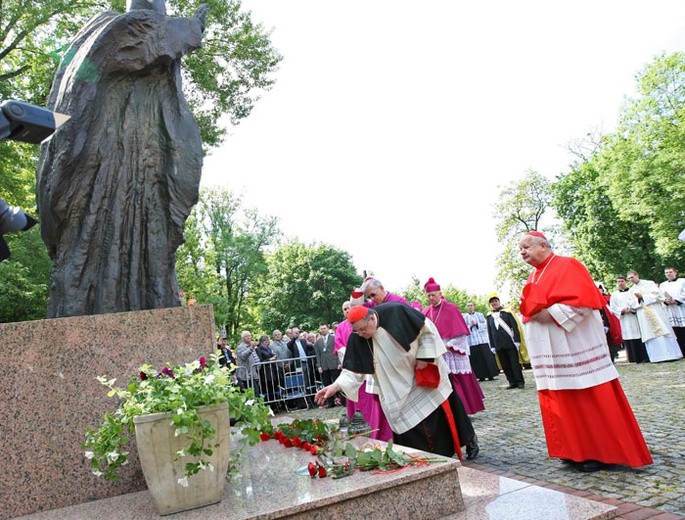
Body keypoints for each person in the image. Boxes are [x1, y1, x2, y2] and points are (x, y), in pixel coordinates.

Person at [37, 0, 208, 318]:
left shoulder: (165, 67)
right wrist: (190, 28)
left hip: (147, 167)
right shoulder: (111, 28)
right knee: (89, 251)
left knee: (149, 252)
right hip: (99, 165)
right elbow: (143, 39)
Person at [519, 230, 652, 472]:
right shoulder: (533, 277)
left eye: (526, 247)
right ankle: (573, 451)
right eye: (520, 249)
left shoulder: (568, 265)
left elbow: (581, 303)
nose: (523, 252)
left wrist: (549, 313)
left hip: (575, 346)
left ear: (543, 246)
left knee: (588, 396)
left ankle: (599, 452)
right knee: (562, 400)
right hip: (553, 352)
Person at [316, 303, 480, 460]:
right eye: (357, 331)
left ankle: (447, 456)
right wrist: (335, 386)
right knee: (409, 438)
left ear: (372, 318)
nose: (361, 334)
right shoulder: (358, 336)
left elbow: (427, 330)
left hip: (420, 382)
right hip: (395, 392)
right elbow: (353, 371)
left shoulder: (397, 312)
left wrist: (425, 356)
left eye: (363, 329)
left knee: (437, 430)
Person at [335, 290, 393, 441]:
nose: (360, 333)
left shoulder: (387, 313)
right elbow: (341, 348)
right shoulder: (343, 327)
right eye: (346, 309)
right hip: (360, 369)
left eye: (350, 307)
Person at [422, 278, 485, 415]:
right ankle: (452, 411)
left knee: (459, 379)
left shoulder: (451, 308)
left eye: (433, 295)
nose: (431, 298)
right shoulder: (426, 312)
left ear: (440, 293)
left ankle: (465, 409)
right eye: (429, 296)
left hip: (452, 351)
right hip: (438, 352)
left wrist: (447, 345)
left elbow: (461, 335)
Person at [627, 270, 683, 363]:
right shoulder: (631, 290)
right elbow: (630, 303)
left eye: (632, 277)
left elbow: (657, 295)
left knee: (663, 331)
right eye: (629, 278)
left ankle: (672, 355)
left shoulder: (649, 283)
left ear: (637, 275)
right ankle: (657, 357)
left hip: (655, 310)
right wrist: (638, 299)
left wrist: (642, 296)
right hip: (643, 314)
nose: (631, 280)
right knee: (650, 334)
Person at [486, 294, 525, 389]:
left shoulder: (507, 313)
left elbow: (515, 327)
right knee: (505, 365)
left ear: (499, 302)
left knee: (514, 363)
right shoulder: (489, 316)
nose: (494, 303)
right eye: (492, 302)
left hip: (510, 342)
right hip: (498, 344)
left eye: (495, 301)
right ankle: (512, 382)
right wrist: (492, 346)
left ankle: (520, 381)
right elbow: (490, 332)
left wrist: (517, 340)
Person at [610, 277, 649, 363]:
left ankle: (641, 357)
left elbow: (637, 301)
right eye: (618, 281)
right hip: (624, 318)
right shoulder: (614, 294)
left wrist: (632, 309)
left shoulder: (632, 291)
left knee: (638, 334)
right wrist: (622, 311)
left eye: (622, 281)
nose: (620, 283)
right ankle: (632, 358)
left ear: (626, 282)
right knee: (627, 335)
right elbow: (612, 307)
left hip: (633, 316)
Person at [463, 302, 499, 381]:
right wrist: (470, 326)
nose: (470, 307)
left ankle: (491, 374)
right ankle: (480, 376)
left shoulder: (480, 315)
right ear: (467, 307)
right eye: (468, 306)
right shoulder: (464, 317)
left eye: (471, 305)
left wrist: (477, 324)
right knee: (476, 359)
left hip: (482, 339)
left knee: (486, 357)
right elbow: (464, 329)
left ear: (474, 306)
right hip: (472, 341)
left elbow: (486, 326)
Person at [314, 324, 342, 408]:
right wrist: (319, 366)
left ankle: (343, 400)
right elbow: (318, 355)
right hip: (324, 365)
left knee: (338, 382)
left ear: (328, 328)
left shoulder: (334, 338)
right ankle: (330, 402)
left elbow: (338, 350)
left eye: (324, 328)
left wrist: (339, 362)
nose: (323, 330)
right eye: (321, 329)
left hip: (334, 363)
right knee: (326, 384)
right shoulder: (318, 342)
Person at [660, 266, 685, 357]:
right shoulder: (662, 285)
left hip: (681, 308)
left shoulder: (682, 281)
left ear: (675, 272)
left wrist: (676, 300)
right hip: (670, 310)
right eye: (666, 272)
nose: (668, 274)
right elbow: (660, 296)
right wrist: (666, 301)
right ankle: (679, 352)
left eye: (670, 272)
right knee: (675, 331)